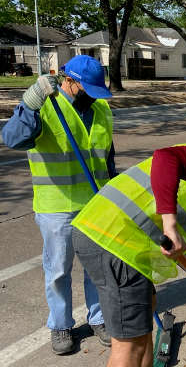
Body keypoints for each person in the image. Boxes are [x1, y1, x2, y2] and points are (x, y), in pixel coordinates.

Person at [71, 124, 186, 367]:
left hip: (111, 240)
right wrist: (169, 222)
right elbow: (165, 157)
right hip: (115, 245)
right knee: (129, 347)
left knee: (144, 326)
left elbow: (173, 244)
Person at [1, 55, 114, 355]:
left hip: (96, 203)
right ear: (69, 81)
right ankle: (61, 324)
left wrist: (113, 196)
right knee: (58, 270)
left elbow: (107, 158)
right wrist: (29, 103)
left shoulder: (101, 109)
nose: (93, 96)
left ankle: (99, 318)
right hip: (57, 207)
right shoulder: (46, 108)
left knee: (97, 267)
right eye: (87, 89)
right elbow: (12, 138)